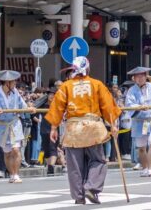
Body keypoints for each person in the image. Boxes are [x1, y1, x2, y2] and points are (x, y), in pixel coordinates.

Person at [45, 56, 121, 205]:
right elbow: (108, 106)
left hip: (73, 129)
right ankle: (91, 188)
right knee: (98, 160)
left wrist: (54, 128)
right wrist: (113, 124)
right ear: (87, 69)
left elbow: (57, 108)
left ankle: (79, 196)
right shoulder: (96, 84)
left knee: (74, 165)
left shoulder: (66, 86)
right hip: (93, 127)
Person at [0, 70, 27, 183]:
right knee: (7, 152)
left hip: (14, 124)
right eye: (13, 82)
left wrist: (28, 108)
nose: (15, 84)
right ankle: (12, 174)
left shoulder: (16, 92)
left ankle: (16, 174)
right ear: (7, 82)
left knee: (16, 149)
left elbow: (23, 105)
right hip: (3, 125)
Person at [125, 67, 151, 177]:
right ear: (134, 78)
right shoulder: (131, 91)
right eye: (137, 76)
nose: (140, 78)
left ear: (146, 77)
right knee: (142, 147)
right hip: (139, 121)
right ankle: (144, 168)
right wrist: (139, 107)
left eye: (142, 76)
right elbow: (129, 105)